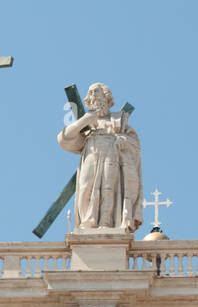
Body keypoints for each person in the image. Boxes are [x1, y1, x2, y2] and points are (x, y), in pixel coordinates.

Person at [57, 82, 142, 231]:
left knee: (109, 188)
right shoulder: (87, 121)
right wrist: (85, 120)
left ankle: (106, 223)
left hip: (112, 153)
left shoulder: (119, 120)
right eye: (90, 94)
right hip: (91, 152)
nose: (93, 96)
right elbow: (64, 138)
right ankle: (87, 223)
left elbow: (134, 143)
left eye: (96, 92)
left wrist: (123, 140)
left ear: (106, 96)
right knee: (85, 187)